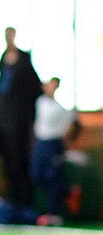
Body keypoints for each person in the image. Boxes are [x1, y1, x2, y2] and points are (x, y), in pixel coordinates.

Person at [0, 27, 41, 206]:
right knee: (8, 165)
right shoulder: (3, 61)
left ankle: (24, 204)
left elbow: (34, 90)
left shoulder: (24, 62)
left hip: (19, 122)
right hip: (4, 122)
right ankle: (12, 203)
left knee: (21, 163)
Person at [31, 77, 79, 226]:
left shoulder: (61, 109)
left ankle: (51, 213)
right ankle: (66, 190)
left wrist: (66, 141)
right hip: (40, 143)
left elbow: (74, 124)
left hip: (53, 144)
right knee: (36, 174)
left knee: (52, 177)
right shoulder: (40, 102)